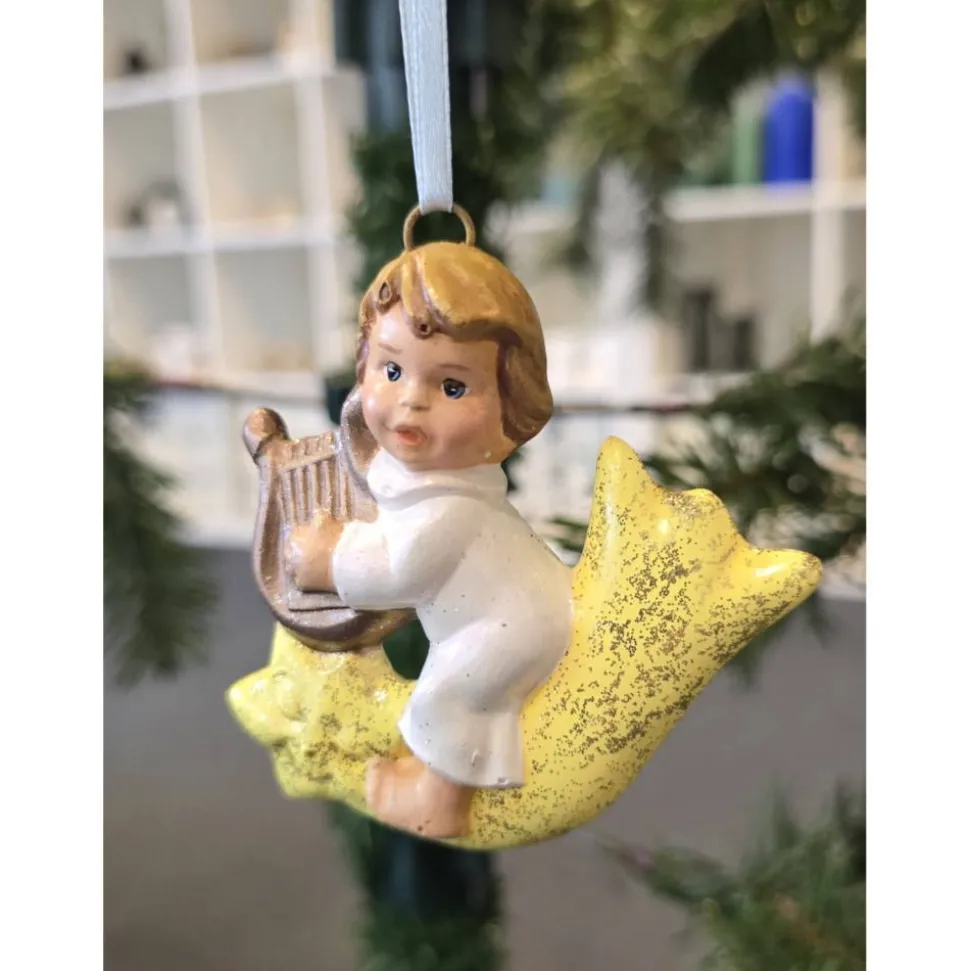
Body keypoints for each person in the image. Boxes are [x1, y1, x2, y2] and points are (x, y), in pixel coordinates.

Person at [286, 240, 572, 839]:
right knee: (450, 699)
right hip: (516, 610)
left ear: (508, 409)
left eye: (452, 387)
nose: (412, 399)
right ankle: (429, 779)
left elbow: (399, 571)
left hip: (508, 627)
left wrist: (327, 560)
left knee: (448, 697)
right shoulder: (434, 481)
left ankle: (437, 806)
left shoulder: (451, 505)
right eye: (391, 370)